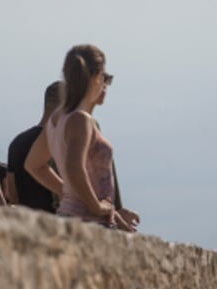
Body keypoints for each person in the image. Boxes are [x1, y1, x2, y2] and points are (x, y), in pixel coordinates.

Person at [25, 44, 140, 231]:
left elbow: (34, 165)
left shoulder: (56, 120)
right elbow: (73, 166)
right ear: (96, 78)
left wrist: (68, 193)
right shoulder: (81, 120)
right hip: (87, 221)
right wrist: (95, 205)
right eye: (106, 78)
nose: (106, 85)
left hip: (68, 216)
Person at [6, 81, 63, 212]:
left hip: (28, 222)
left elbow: (12, 195)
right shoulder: (64, 142)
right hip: (59, 223)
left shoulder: (17, 142)